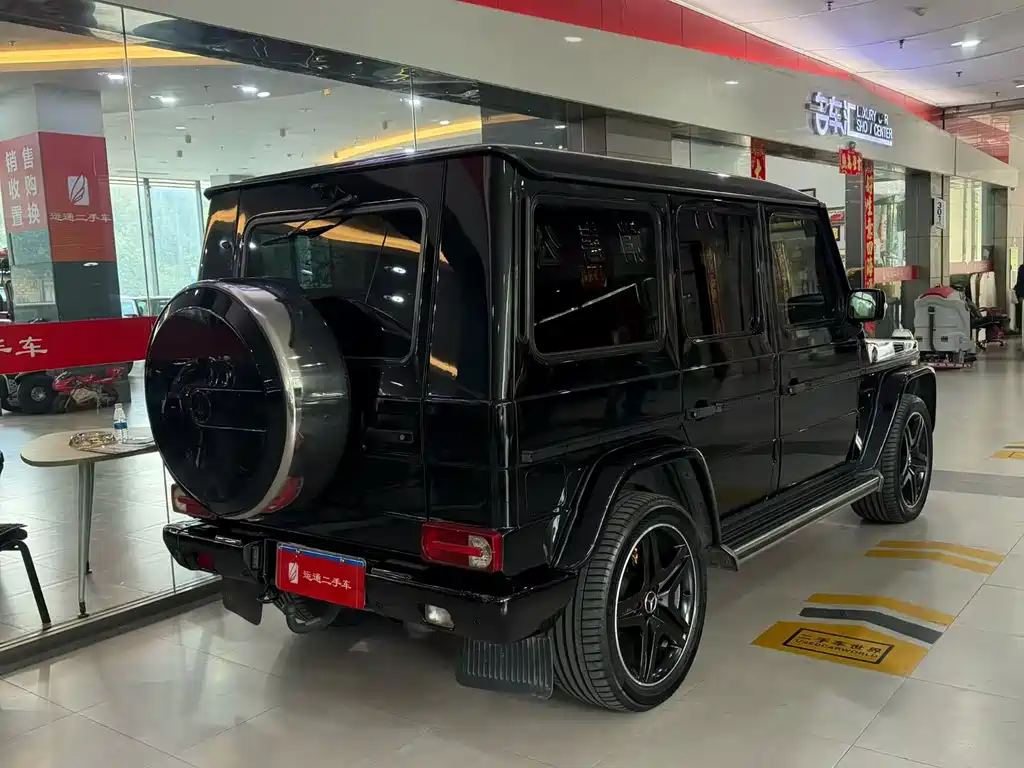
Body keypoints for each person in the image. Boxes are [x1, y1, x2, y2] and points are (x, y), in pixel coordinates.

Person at [1014, 263, 1024, 331]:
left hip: (1019, 291)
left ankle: (1019, 327)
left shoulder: (1021, 267)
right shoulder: (1022, 268)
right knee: (1021, 311)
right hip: (1021, 292)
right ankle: (1020, 327)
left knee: (1019, 311)